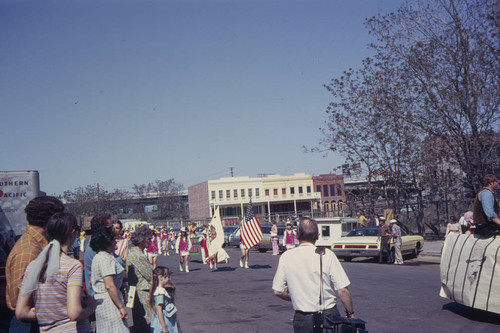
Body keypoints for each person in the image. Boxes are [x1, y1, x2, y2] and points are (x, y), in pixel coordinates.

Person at [15, 212, 97, 333]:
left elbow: (21, 312)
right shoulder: (72, 266)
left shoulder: (33, 266)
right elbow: (74, 313)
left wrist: (51, 313)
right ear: (73, 233)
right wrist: (91, 306)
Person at [272, 218, 354, 332]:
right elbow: (343, 290)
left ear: (296, 235)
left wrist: (298, 297)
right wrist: (350, 313)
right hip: (329, 317)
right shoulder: (327, 254)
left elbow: (278, 291)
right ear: (318, 235)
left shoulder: (286, 257)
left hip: (303, 320)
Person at [6, 196, 65, 332]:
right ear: (51, 221)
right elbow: (18, 301)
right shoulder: (28, 251)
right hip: (28, 326)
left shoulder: (39, 245)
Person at [90, 226, 129, 332]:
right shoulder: (106, 259)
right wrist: (121, 307)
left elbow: (92, 280)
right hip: (110, 301)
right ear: (106, 242)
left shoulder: (98, 257)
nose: (115, 242)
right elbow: (109, 286)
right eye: (113, 240)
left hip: (102, 300)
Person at [126, 225, 154, 333]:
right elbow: (150, 275)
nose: (150, 241)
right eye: (148, 239)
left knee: (139, 322)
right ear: (141, 239)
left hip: (136, 292)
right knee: (146, 323)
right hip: (143, 293)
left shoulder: (133, 253)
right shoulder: (139, 256)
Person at [84, 213, 113, 297]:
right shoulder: (96, 247)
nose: (112, 230)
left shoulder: (101, 244)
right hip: (100, 295)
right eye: (109, 228)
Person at [149, 266, 181, 333]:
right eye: (167, 277)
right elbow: (159, 311)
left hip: (167, 320)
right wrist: (164, 327)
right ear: (161, 278)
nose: (169, 279)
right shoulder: (160, 293)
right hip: (164, 322)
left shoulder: (161, 290)